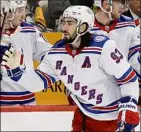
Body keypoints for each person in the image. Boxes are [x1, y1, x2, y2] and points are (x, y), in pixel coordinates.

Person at [1, 5, 140, 132]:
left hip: (113, 119)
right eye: (63, 22)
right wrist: (17, 72)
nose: (64, 27)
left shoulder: (104, 47)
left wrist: (129, 105)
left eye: (70, 23)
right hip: (84, 114)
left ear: (83, 27)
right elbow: (39, 83)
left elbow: (128, 79)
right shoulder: (56, 52)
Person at [0, 0, 52, 105]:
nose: (23, 15)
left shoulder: (30, 31)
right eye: (19, 10)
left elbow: (50, 55)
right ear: (7, 11)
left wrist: (38, 77)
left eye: (24, 9)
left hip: (28, 100)